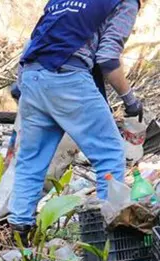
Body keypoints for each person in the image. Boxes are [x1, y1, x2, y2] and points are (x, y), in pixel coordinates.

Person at [9, 0, 143, 243]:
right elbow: (108, 59)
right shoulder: (125, 2)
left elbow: (34, 41)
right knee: (110, 153)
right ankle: (107, 242)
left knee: (31, 161)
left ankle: (19, 242)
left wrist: (22, 86)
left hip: (31, 76)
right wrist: (131, 102)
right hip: (67, 77)